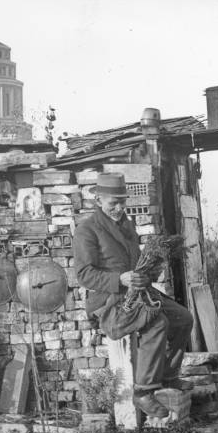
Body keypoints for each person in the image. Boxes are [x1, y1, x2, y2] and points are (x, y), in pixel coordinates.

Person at [73, 172, 194, 418]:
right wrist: (119, 279)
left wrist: (149, 269)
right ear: (98, 200)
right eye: (112, 203)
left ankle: (169, 376)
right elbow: (84, 275)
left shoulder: (127, 225)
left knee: (183, 318)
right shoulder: (87, 230)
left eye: (122, 202)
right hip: (108, 300)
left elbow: (134, 262)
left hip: (138, 291)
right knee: (157, 321)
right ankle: (143, 391)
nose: (119, 208)